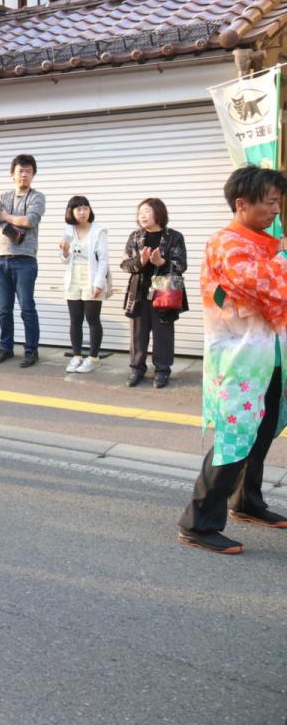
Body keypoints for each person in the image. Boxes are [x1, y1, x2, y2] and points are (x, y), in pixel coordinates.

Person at [177, 166, 287, 554]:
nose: (276, 209)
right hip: (239, 360)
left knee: (262, 430)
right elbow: (264, 285)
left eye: (278, 201)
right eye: (269, 201)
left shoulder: (267, 244)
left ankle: (247, 500)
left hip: (270, 355)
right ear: (242, 203)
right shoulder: (226, 243)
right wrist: (283, 256)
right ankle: (198, 522)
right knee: (235, 434)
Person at [0, 155, 45, 367]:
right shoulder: (4, 196)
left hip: (25, 261)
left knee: (27, 309)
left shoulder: (37, 197)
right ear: (12, 174)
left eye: (28, 171)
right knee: (4, 310)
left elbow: (29, 220)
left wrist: (6, 217)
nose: (24, 175)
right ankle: (6, 348)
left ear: (33, 174)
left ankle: (31, 351)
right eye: (20, 171)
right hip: (1, 261)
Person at [120, 198, 187, 388]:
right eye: (140, 212)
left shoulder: (174, 237)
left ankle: (162, 370)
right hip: (139, 292)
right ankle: (137, 369)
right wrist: (140, 262)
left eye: (147, 211)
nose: (142, 215)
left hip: (165, 292)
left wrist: (162, 263)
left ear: (159, 213)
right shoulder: (135, 236)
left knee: (163, 334)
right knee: (137, 335)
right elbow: (125, 264)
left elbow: (181, 265)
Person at [58, 196, 109, 373]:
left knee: (92, 318)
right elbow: (64, 260)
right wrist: (65, 252)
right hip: (73, 279)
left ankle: (93, 358)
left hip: (92, 278)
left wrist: (98, 284)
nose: (82, 212)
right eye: (78, 209)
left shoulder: (99, 230)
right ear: (71, 212)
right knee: (75, 319)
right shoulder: (68, 230)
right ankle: (77, 356)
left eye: (85, 208)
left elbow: (103, 260)